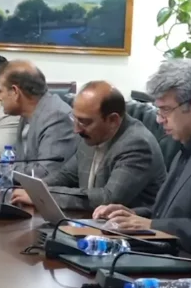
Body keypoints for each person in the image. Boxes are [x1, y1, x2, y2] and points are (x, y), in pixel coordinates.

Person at [94, 59, 191, 258]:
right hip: (162, 254)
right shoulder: (188, 143)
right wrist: (133, 216)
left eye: (165, 110)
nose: (158, 119)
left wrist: (153, 225)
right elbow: (173, 215)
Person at [11, 81, 166, 211]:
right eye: (75, 119)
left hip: (131, 232)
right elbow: (66, 175)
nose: (76, 129)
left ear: (113, 120)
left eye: (84, 122)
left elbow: (107, 198)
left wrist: (43, 196)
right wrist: (35, 188)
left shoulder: (136, 144)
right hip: (91, 222)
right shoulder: (93, 134)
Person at [0, 60, 76, 178]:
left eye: (1, 91)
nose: (0, 97)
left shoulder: (56, 118)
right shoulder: (26, 115)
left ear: (15, 92)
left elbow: (45, 173)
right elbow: (20, 162)